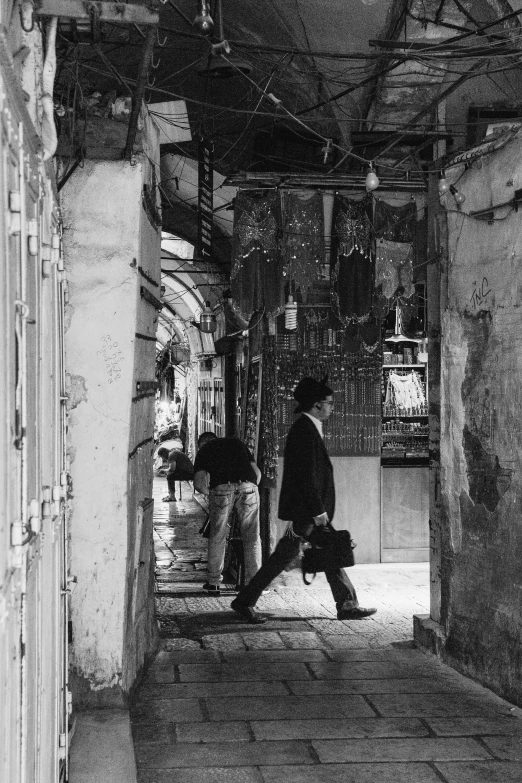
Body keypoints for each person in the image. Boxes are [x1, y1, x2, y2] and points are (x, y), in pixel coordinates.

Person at [230, 376, 377, 624]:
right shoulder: (304, 431)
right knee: (285, 557)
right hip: (307, 512)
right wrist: (318, 511)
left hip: (308, 511)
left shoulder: (308, 428)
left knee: (326, 550)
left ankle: (347, 604)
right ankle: (244, 601)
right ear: (316, 405)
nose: (332, 407)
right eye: (329, 403)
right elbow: (306, 476)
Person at [193, 432, 262, 595]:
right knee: (252, 537)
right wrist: (249, 490)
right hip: (249, 487)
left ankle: (214, 583)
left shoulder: (204, 450)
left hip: (221, 490)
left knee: (217, 535)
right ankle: (254, 584)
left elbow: (198, 483)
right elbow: (257, 473)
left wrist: (210, 494)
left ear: (202, 444)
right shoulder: (236, 442)